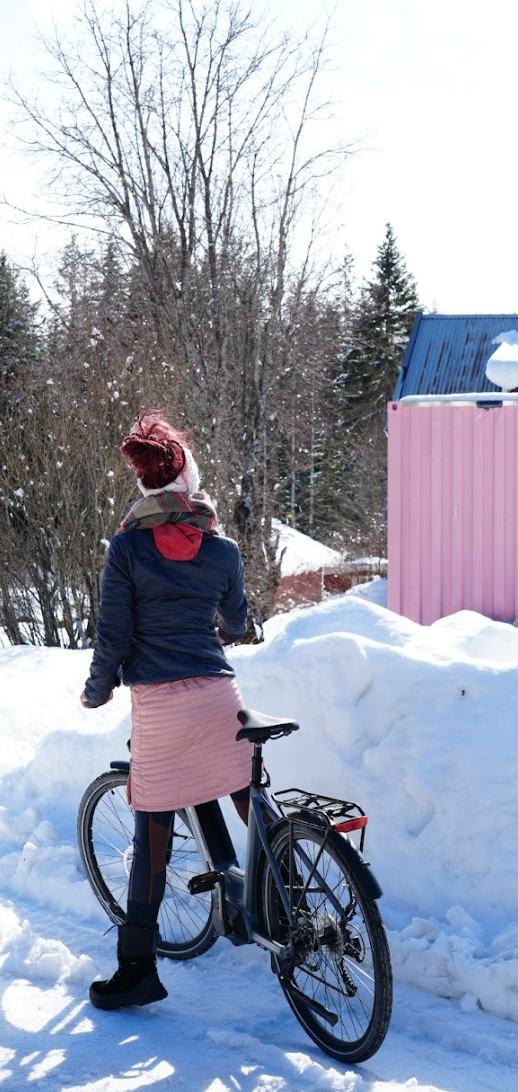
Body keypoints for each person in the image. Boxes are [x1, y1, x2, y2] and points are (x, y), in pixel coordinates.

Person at [81, 409, 251, 1011]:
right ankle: (284, 889)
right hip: (219, 697)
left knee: (152, 838)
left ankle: (137, 971)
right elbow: (238, 622)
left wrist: (97, 689)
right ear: (191, 483)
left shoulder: (128, 548)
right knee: (246, 793)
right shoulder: (222, 548)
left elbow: (114, 635)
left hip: (160, 706)